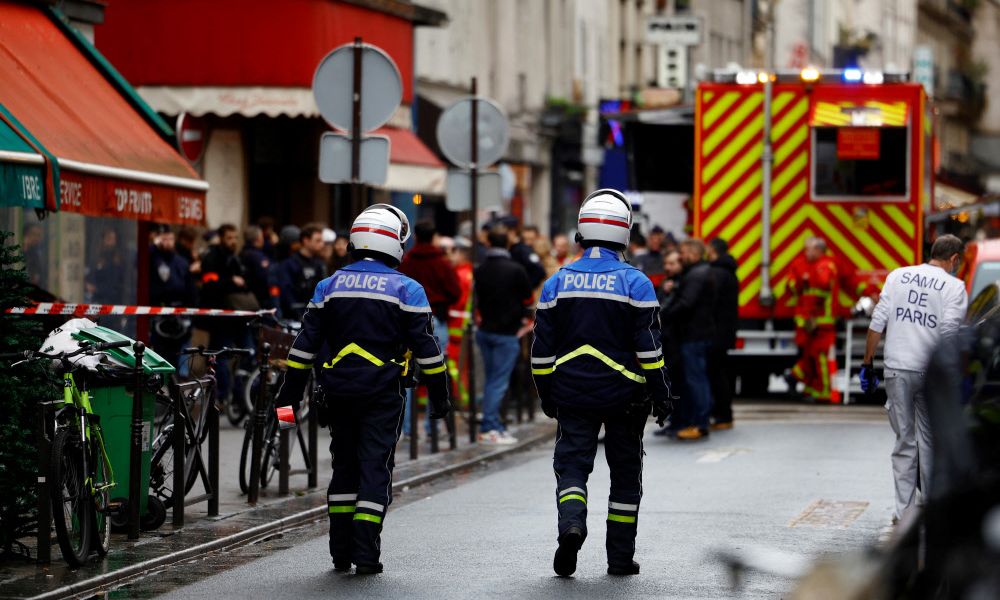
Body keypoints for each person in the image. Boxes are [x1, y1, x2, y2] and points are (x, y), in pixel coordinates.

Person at [275, 204, 451, 575]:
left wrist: (286, 397)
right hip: (382, 394)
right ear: (394, 243)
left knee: (344, 467)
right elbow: (428, 351)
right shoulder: (407, 288)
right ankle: (366, 555)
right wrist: (440, 396)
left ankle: (339, 552)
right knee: (374, 468)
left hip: (336, 392)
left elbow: (303, 347)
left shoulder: (329, 285)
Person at [531, 188, 672, 577]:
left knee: (572, 468)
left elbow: (540, 353)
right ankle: (620, 559)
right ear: (624, 233)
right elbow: (650, 351)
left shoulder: (556, 283)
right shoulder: (636, 284)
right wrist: (662, 396)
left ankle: (572, 524)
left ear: (582, 231)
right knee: (625, 478)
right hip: (626, 398)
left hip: (572, 394)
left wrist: (547, 394)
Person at [861, 234, 967, 523]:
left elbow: (877, 322)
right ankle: (932, 511)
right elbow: (949, 335)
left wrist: (867, 363)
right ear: (954, 259)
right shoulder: (954, 286)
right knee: (930, 442)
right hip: (929, 373)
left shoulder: (898, 276)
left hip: (896, 369)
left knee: (904, 443)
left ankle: (904, 513)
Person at [398, 220, 461, 438]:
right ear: (434, 237)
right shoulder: (442, 263)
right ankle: (432, 426)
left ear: (415, 236)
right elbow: (455, 291)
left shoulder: (406, 262)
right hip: (437, 318)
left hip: (407, 319)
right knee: (435, 369)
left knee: (406, 371)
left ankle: (406, 428)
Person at [474, 226, 533, 444]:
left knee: (492, 380)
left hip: (485, 330)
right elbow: (527, 299)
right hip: (507, 333)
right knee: (498, 382)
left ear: (489, 244)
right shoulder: (515, 270)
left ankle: (495, 425)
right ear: (506, 245)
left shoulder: (480, 269)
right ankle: (490, 427)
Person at [660, 239, 716, 440]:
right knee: (695, 379)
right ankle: (698, 421)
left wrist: (662, 316)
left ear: (693, 253)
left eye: (683, 252)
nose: (681, 256)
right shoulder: (697, 273)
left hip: (693, 335)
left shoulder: (696, 275)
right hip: (695, 334)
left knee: (696, 380)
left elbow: (685, 303)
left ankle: (700, 423)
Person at [200, 224, 255, 403]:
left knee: (249, 353)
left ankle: (240, 394)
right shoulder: (212, 257)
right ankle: (222, 396)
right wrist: (231, 281)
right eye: (230, 237)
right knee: (221, 357)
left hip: (240, 316)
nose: (233, 241)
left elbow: (246, 282)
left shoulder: (235, 258)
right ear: (221, 238)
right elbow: (210, 285)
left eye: (235, 237)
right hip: (222, 318)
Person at [787, 237, 839, 402]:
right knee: (811, 356)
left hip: (822, 321)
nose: (806, 253)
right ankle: (808, 386)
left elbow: (821, 288)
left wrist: (808, 279)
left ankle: (822, 391)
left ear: (818, 250)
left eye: (809, 249)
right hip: (812, 321)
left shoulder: (824, 266)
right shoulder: (809, 265)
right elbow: (793, 287)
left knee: (820, 357)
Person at [149, 226, 197, 373]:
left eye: (170, 239)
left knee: (181, 356)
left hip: (180, 316)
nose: (167, 243)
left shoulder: (181, 262)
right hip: (159, 314)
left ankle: (180, 387)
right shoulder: (153, 257)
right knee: (161, 356)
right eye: (164, 239)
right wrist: (153, 246)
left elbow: (191, 290)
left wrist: (190, 315)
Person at [707, 238, 739, 430]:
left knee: (716, 374)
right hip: (724, 331)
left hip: (715, 332)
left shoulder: (718, 274)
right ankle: (723, 414)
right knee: (719, 373)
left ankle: (722, 415)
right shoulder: (728, 272)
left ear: (712, 250)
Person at [653, 249, 686, 436]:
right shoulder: (667, 283)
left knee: (678, 383)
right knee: (670, 382)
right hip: (666, 339)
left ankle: (679, 421)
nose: (668, 267)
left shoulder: (680, 283)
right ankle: (673, 420)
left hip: (677, 340)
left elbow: (665, 310)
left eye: (672, 264)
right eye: (666, 264)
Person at [275, 225, 328, 320]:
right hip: (295, 317)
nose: (322, 244)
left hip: (317, 316)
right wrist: (300, 315)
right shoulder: (289, 264)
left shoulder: (320, 264)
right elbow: (287, 294)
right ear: (306, 240)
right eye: (318, 240)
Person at [446, 237, 474, 406]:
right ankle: (463, 400)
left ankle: (460, 401)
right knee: (461, 368)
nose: (450, 256)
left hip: (456, 327)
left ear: (461, 253)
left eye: (453, 252)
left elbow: (458, 301)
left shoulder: (460, 275)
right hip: (462, 327)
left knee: (456, 368)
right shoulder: (469, 272)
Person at [240, 225, 273, 309]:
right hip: (260, 298)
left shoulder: (242, 253)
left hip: (248, 296)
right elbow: (267, 276)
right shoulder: (257, 256)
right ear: (258, 238)